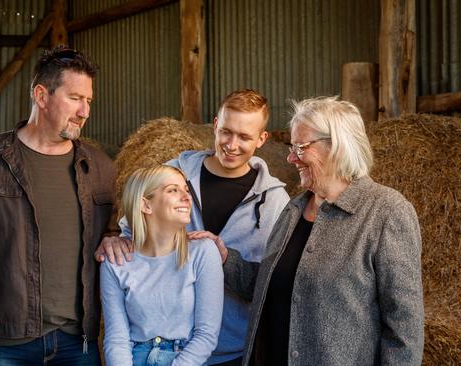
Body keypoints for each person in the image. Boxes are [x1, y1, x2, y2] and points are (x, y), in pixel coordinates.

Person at [0, 47, 117, 366]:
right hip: (5, 343)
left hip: (78, 342)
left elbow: (115, 234)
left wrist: (116, 238)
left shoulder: (100, 167)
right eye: (75, 98)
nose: (85, 111)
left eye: (89, 100)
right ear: (41, 95)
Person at [97, 89, 290, 365]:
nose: (232, 144)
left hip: (235, 351)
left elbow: (274, 284)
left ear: (262, 139)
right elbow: (135, 228)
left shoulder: (274, 201)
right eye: (226, 131)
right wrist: (114, 238)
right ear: (214, 125)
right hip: (170, 346)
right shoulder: (175, 174)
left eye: (245, 137)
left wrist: (227, 260)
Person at [229, 96, 424, 365]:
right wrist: (225, 258)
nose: (290, 157)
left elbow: (405, 328)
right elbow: (272, 285)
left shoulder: (386, 212)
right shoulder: (294, 209)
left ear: (337, 146)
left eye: (300, 147)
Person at [101, 165, 224, 365]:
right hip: (134, 358)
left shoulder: (203, 252)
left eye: (186, 189)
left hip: (184, 359)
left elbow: (206, 335)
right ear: (145, 205)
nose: (186, 197)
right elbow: (116, 340)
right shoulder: (115, 262)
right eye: (173, 190)